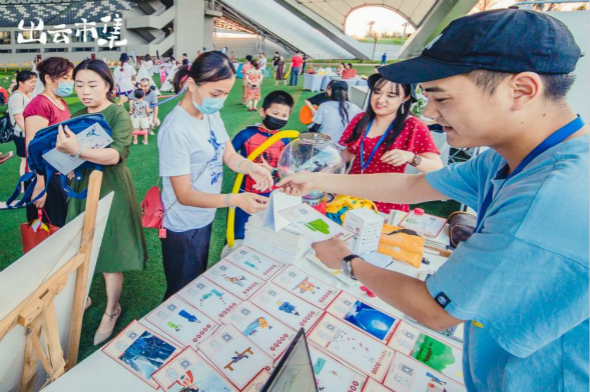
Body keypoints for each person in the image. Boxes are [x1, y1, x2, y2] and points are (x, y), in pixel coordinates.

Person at [277, 9, 589, 391]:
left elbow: (435, 310)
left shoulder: (550, 197)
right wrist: (315, 178)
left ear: (521, 90)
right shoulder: (510, 155)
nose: (432, 115)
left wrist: (345, 260)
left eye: (441, 97)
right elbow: (413, 188)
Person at [157, 51, 272, 300]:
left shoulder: (210, 112)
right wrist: (235, 200)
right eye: (215, 94)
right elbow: (184, 195)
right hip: (183, 223)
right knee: (180, 291)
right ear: (191, 84)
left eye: (225, 94)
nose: (220, 101)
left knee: (195, 280)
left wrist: (250, 167)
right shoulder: (175, 130)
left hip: (205, 214)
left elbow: (229, 155)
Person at [56, 59, 147, 345]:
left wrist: (78, 150)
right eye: (79, 84)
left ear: (108, 85)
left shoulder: (119, 114)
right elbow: (70, 155)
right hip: (82, 186)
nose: (84, 91)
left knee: (109, 254)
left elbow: (115, 155)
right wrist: (65, 159)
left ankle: (111, 310)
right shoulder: (79, 113)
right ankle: (83, 297)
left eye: (92, 85)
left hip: (111, 188)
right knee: (79, 248)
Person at [338, 74, 443, 213]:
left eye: (391, 95)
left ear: (405, 98)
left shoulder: (413, 125)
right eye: (377, 92)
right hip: (350, 195)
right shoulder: (360, 119)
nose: (380, 100)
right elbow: (348, 154)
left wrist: (410, 157)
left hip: (386, 199)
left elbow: (437, 169)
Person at [231, 90, 295, 239]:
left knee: (265, 233)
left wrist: (273, 170)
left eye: (284, 116)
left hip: (272, 193)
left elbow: (288, 170)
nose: (279, 118)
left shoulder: (285, 140)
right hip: (244, 191)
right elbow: (228, 157)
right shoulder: (245, 135)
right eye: (275, 113)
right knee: (238, 232)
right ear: (262, 111)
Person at [23, 56, 74, 227]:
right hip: (46, 177)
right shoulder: (39, 105)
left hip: (60, 174)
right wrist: (40, 183)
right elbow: (33, 146)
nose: (70, 82)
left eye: (71, 78)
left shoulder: (61, 102)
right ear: (48, 79)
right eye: (65, 78)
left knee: (64, 225)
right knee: (50, 230)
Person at [8, 71, 37, 184]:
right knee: (25, 160)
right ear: (20, 83)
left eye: (35, 81)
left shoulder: (26, 95)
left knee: (29, 160)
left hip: (27, 133)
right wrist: (30, 133)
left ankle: (28, 183)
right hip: (22, 134)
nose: (34, 84)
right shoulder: (17, 96)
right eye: (31, 82)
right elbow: (18, 118)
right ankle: (25, 185)